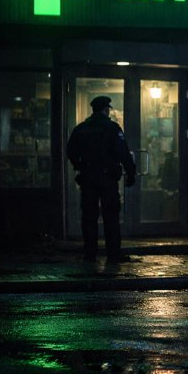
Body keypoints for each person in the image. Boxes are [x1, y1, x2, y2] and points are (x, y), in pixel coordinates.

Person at [67, 96, 136, 263]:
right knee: (110, 216)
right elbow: (123, 152)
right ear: (106, 110)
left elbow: (71, 151)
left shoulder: (81, 129)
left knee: (89, 216)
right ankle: (113, 254)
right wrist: (131, 172)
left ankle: (90, 254)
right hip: (107, 178)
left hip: (88, 178)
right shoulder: (112, 128)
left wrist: (80, 165)